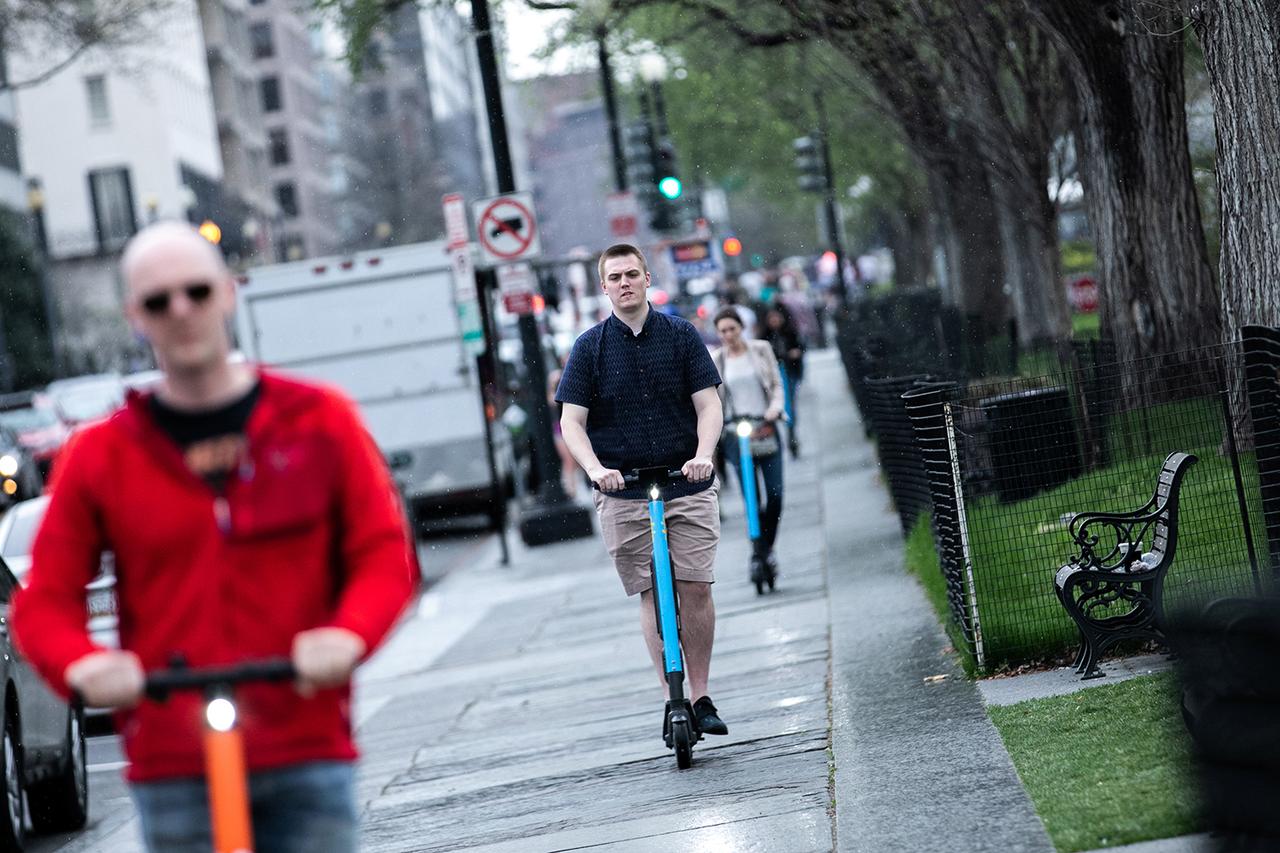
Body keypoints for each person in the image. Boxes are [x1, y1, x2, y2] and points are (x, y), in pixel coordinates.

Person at [11, 222, 418, 853]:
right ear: (134, 317)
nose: (180, 311)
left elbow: (382, 553)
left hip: (303, 739)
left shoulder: (317, 421)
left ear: (227, 294)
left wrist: (347, 634)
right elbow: (43, 600)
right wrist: (84, 664)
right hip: (173, 756)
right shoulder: (102, 455)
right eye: (157, 301)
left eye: (196, 292)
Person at [555, 243, 729, 736]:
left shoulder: (679, 335)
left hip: (685, 480)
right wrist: (594, 470)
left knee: (694, 586)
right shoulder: (589, 348)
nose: (625, 283)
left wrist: (704, 454)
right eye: (615, 277)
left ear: (648, 278)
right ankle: (669, 699)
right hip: (623, 489)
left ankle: (700, 695)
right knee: (651, 591)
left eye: (633, 274)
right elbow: (572, 422)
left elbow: (708, 405)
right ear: (604, 286)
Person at [710, 308, 787, 583]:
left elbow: (777, 385)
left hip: (765, 427)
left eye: (732, 328)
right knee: (752, 499)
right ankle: (760, 551)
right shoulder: (716, 360)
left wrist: (775, 409)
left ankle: (766, 547)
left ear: (742, 327)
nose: (729, 335)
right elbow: (712, 400)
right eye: (723, 331)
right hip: (736, 435)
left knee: (775, 496)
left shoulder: (761, 350)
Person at [761, 303, 807, 457]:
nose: (774, 320)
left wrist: (793, 354)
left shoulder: (790, 333)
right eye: (771, 318)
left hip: (789, 373)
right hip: (773, 378)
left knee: (790, 405)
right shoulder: (764, 337)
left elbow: (800, 349)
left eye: (776, 317)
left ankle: (792, 435)